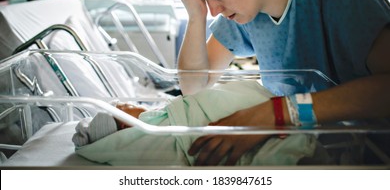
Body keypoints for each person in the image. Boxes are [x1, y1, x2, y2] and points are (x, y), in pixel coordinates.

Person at [167, 0, 390, 165]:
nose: (215, 11)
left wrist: (276, 113)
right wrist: (195, 14)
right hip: (317, 153)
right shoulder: (246, 14)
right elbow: (194, 87)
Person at [73, 81, 325, 166]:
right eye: (121, 109)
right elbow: (189, 109)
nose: (126, 104)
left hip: (298, 109)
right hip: (199, 128)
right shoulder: (147, 124)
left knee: (236, 100)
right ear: (126, 125)